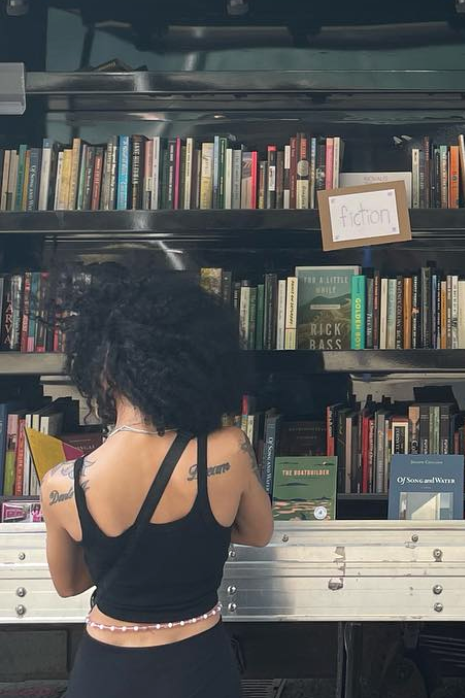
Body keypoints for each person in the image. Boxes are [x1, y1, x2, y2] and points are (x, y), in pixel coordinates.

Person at [39, 266, 274, 698]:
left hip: (104, 672)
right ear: (191, 363)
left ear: (101, 371)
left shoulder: (62, 485)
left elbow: (68, 584)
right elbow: (258, 533)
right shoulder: (227, 450)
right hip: (198, 665)